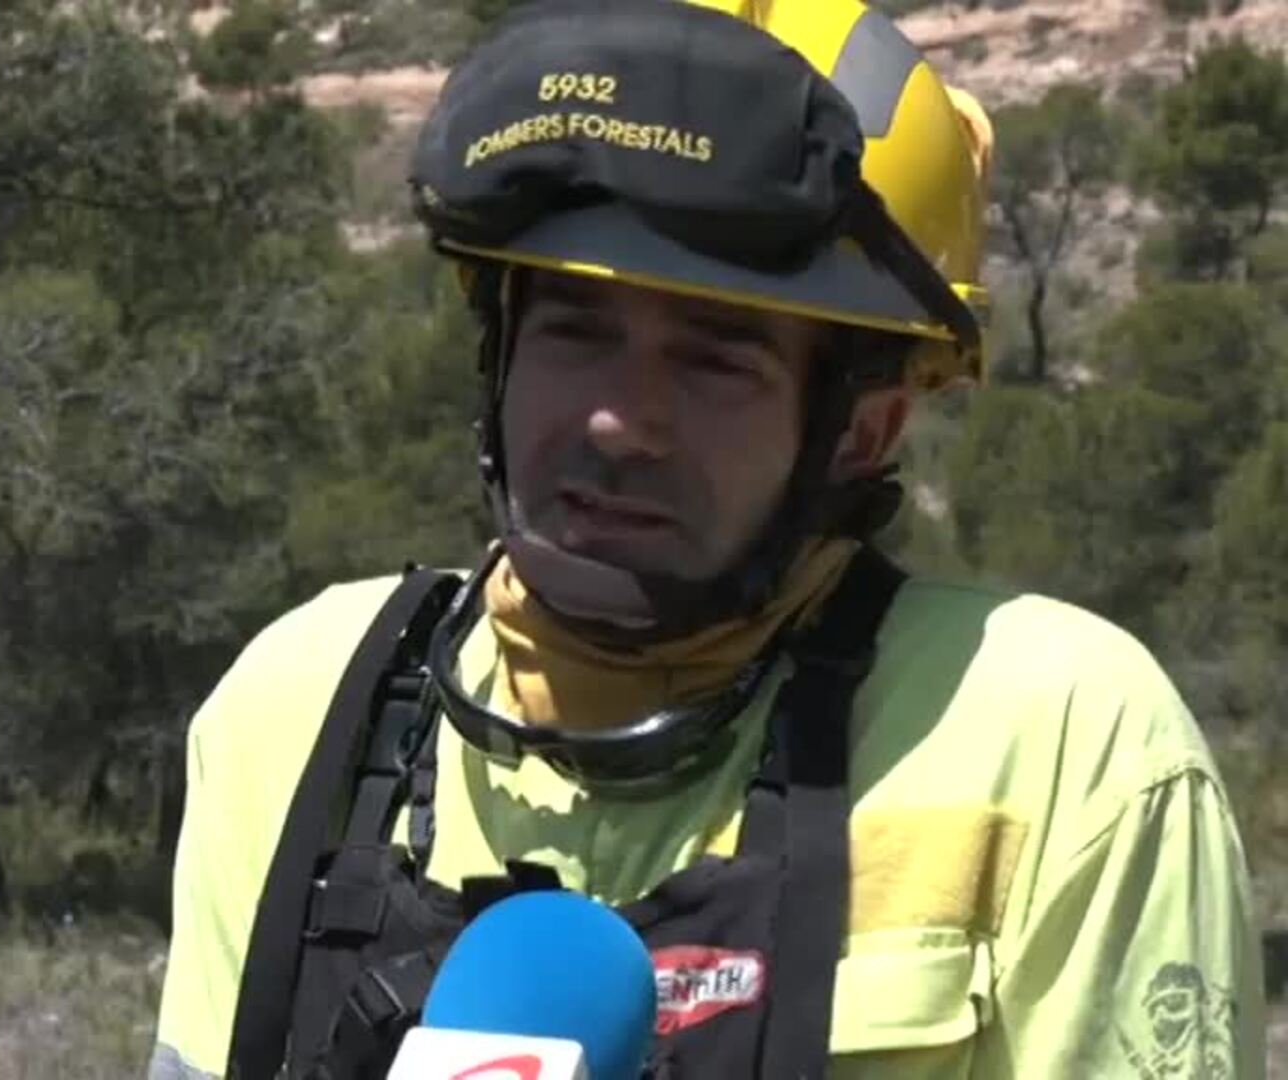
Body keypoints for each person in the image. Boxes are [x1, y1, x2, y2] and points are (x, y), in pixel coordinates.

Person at [149, 1, 1265, 1077]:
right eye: (577, 330)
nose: (616, 420)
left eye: (717, 360)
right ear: (498, 358)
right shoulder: (298, 714)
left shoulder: (1061, 749)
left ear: (861, 430)